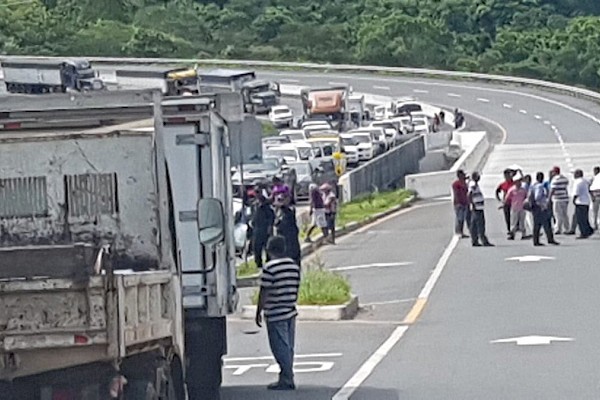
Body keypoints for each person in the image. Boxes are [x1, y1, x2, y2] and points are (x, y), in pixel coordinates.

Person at [255, 236, 300, 391]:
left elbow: (264, 292)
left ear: (269, 249)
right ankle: (285, 376)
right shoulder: (293, 266)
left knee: (279, 347)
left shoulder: (270, 268)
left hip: (275, 313)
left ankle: (288, 377)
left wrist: (258, 311)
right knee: (288, 346)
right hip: (290, 310)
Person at [530, 172, 559, 246]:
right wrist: (542, 205)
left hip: (535, 207)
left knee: (537, 225)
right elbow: (537, 197)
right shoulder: (539, 186)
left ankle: (536, 241)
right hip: (540, 207)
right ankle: (550, 239)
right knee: (546, 223)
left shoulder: (533, 185)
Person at [251, 187, 275, 270]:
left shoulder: (266, 203)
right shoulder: (254, 204)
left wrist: (270, 226)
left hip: (265, 229)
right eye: (256, 192)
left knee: (267, 247)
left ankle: (269, 262)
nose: (257, 194)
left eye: (259, 192)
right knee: (256, 247)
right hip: (257, 229)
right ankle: (259, 264)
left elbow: (271, 216)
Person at [273, 194, 301, 267]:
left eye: (281, 200)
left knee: (294, 260)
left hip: (291, 240)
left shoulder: (289, 211)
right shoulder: (278, 212)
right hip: (283, 241)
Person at [468, 171, 494, 247]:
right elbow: (469, 194)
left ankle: (475, 240)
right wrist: (472, 204)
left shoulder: (474, 184)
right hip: (477, 208)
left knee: (474, 224)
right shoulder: (473, 184)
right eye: (478, 176)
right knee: (480, 224)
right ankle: (483, 240)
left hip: (478, 207)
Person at [573, 169, 594, 239]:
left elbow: (576, 192)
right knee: (585, 218)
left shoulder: (577, 182)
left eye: (575, 174)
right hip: (586, 201)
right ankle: (589, 230)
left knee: (580, 219)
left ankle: (583, 233)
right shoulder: (585, 181)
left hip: (580, 202)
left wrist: (574, 200)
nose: (574, 175)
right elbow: (589, 189)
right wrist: (592, 197)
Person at [549, 166, 570, 234]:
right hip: (564, 198)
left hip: (557, 198)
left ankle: (558, 228)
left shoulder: (555, 180)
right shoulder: (564, 179)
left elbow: (552, 190)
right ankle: (567, 228)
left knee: (558, 214)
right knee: (564, 214)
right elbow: (566, 187)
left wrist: (549, 198)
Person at [495, 169, 514, 234]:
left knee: (514, 216)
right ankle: (509, 229)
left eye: (509, 175)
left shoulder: (514, 183)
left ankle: (515, 228)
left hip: (514, 202)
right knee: (507, 216)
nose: (507, 176)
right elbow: (497, 191)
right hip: (506, 202)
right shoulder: (503, 184)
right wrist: (499, 200)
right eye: (506, 175)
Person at [451, 169, 469, 238]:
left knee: (463, 218)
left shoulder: (464, 183)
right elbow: (456, 193)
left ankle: (461, 231)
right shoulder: (456, 184)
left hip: (465, 202)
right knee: (459, 218)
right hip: (459, 203)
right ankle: (458, 232)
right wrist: (458, 202)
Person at [590, 166, 600, 230]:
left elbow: (590, 188)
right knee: (594, 212)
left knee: (594, 212)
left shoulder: (593, 179)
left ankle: (595, 224)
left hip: (596, 196)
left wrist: (592, 196)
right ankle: (595, 224)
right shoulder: (593, 179)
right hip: (595, 196)